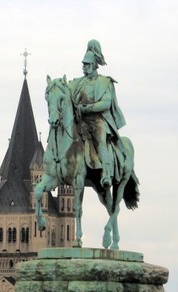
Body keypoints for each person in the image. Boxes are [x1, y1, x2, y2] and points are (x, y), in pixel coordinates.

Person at [68, 39, 126, 189]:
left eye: (87, 64)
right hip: (80, 121)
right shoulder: (77, 83)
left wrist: (87, 108)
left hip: (97, 120)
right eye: (83, 64)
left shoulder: (104, 82)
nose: (84, 67)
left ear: (94, 64)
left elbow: (106, 103)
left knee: (100, 139)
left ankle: (106, 173)